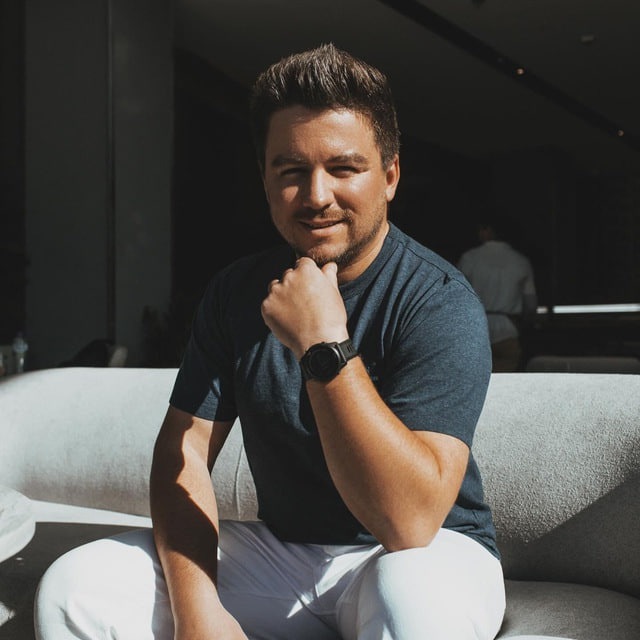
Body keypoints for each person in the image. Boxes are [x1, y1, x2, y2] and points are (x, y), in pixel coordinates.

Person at [34, 43, 505, 640]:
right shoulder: (236, 292)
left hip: (427, 554)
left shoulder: (437, 300)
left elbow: (409, 522)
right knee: (76, 588)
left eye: (343, 168)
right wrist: (198, 613)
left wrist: (323, 345)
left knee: (412, 604)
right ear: (264, 178)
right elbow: (184, 454)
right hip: (285, 557)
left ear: (389, 176)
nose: (316, 195)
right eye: (291, 171)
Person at [457, 217, 538, 372]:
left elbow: (457, 298)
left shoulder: (469, 258)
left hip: (475, 330)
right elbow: (531, 305)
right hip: (508, 330)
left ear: (486, 230)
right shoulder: (521, 261)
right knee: (505, 381)